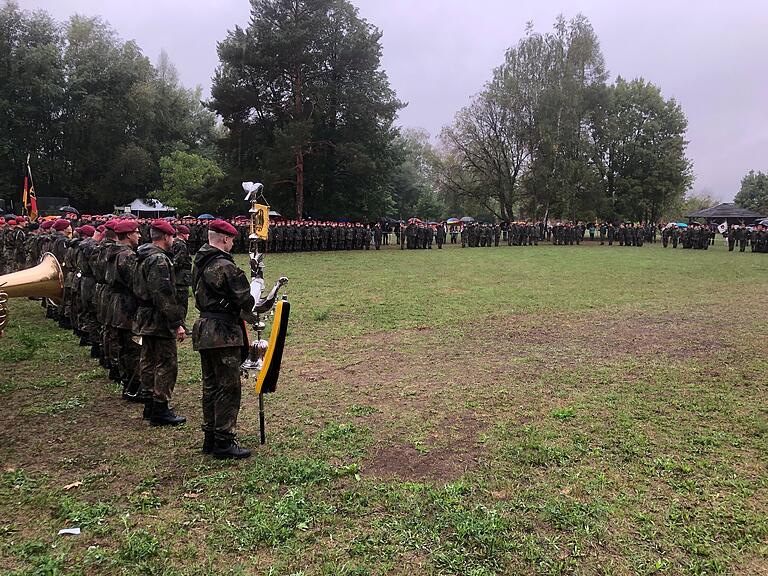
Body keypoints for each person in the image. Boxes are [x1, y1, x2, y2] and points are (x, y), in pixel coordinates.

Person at [191, 219, 257, 459]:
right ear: (225, 239)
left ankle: (210, 436)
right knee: (228, 387)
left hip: (205, 328)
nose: (232, 245)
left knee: (210, 385)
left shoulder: (199, 262)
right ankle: (224, 440)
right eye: (231, 240)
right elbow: (246, 301)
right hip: (223, 332)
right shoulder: (225, 266)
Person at [134, 219, 187, 425]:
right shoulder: (159, 260)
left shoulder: (142, 255)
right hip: (157, 318)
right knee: (166, 362)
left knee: (147, 360)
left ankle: (149, 404)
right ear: (165, 237)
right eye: (172, 236)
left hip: (146, 315)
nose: (173, 240)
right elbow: (163, 295)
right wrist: (176, 323)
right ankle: (160, 408)